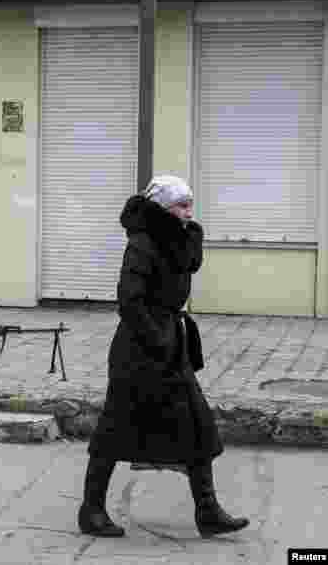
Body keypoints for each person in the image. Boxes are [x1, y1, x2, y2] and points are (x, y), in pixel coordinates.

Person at [78, 175, 249, 538]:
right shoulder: (142, 243)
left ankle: (208, 512)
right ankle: (90, 510)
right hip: (139, 351)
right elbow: (129, 300)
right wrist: (156, 340)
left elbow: (183, 272)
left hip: (171, 345)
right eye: (181, 206)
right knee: (114, 429)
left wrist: (170, 342)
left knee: (198, 425)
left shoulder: (178, 241)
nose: (189, 212)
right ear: (161, 209)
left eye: (190, 204)